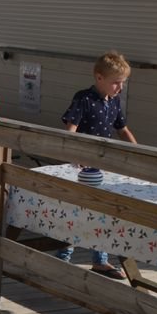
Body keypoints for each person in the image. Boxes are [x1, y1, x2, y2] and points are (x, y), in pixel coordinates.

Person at [59, 51, 138, 279]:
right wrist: (75, 153)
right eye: (116, 83)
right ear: (99, 78)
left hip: (104, 165)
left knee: (102, 211)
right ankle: (64, 254)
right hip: (83, 166)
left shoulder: (113, 101)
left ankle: (100, 260)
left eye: (122, 83)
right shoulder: (83, 98)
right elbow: (71, 129)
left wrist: (137, 149)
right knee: (77, 208)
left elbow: (122, 128)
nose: (119, 88)